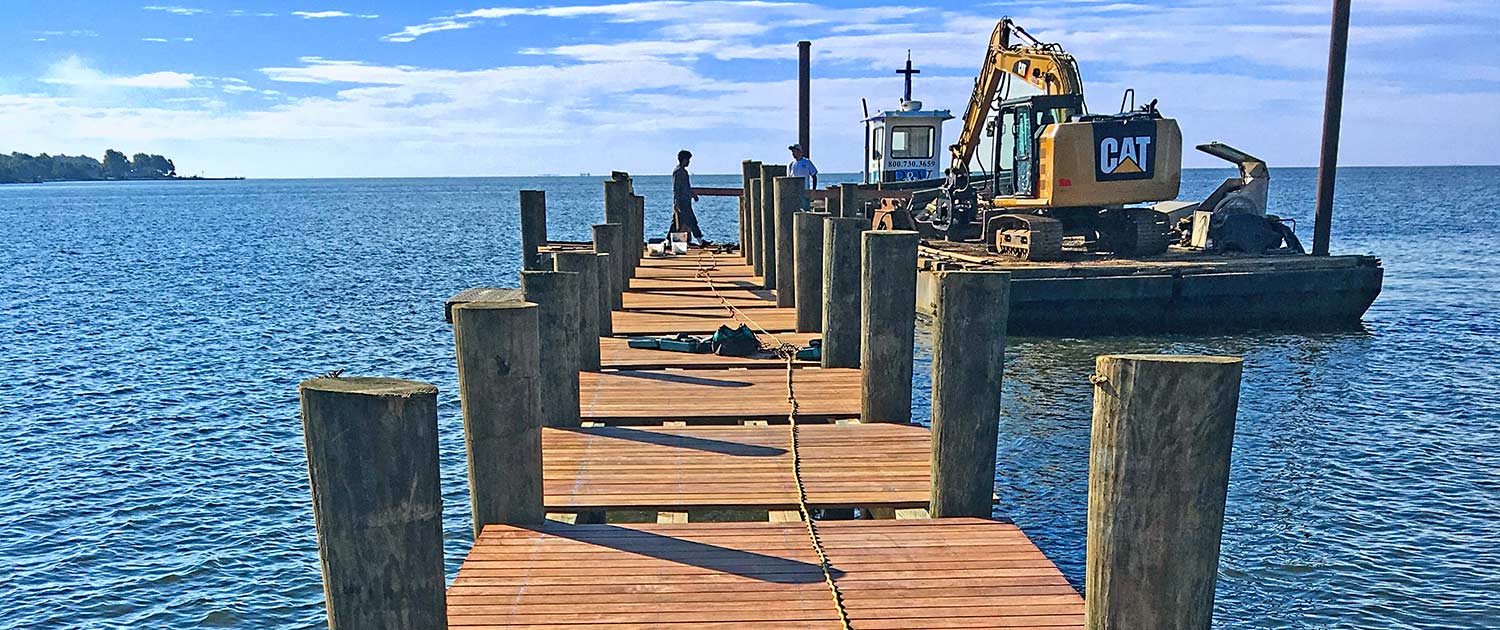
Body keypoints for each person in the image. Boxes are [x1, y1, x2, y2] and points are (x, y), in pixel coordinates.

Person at [670, 149, 707, 246]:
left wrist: (692, 194)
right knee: (691, 220)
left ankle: (667, 241)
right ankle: (700, 240)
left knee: (676, 223)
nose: (689, 162)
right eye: (688, 160)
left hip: (685, 200)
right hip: (682, 201)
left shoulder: (683, 171)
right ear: (683, 160)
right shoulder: (678, 172)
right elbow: (676, 188)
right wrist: (676, 202)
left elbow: (686, 187)